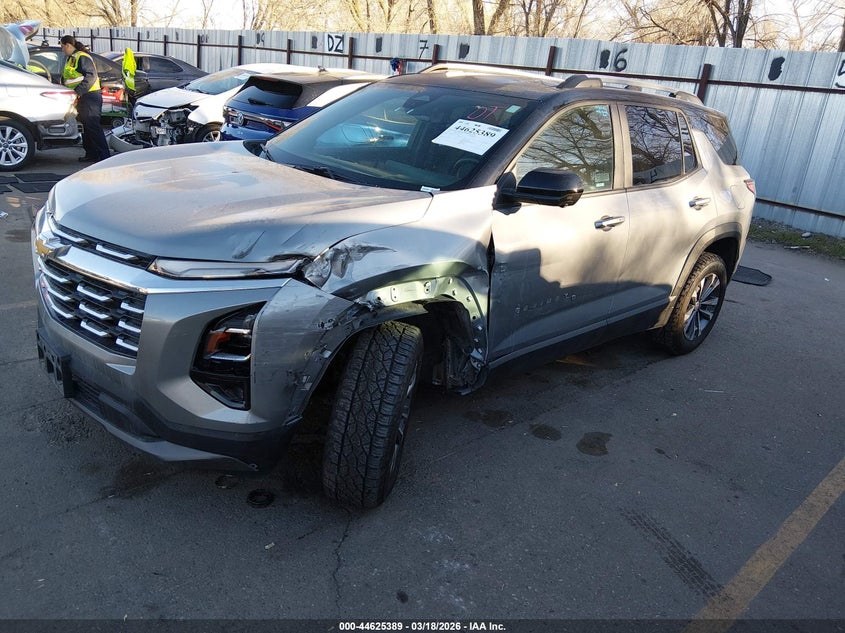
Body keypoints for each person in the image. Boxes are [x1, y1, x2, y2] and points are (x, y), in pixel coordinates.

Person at [60, 35, 110, 163]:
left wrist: (77, 92)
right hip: (84, 96)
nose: (62, 50)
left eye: (62, 47)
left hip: (90, 96)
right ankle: (92, 154)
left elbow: (91, 76)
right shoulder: (72, 58)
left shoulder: (81, 57)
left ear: (68, 45)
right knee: (86, 127)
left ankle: (104, 156)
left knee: (93, 126)